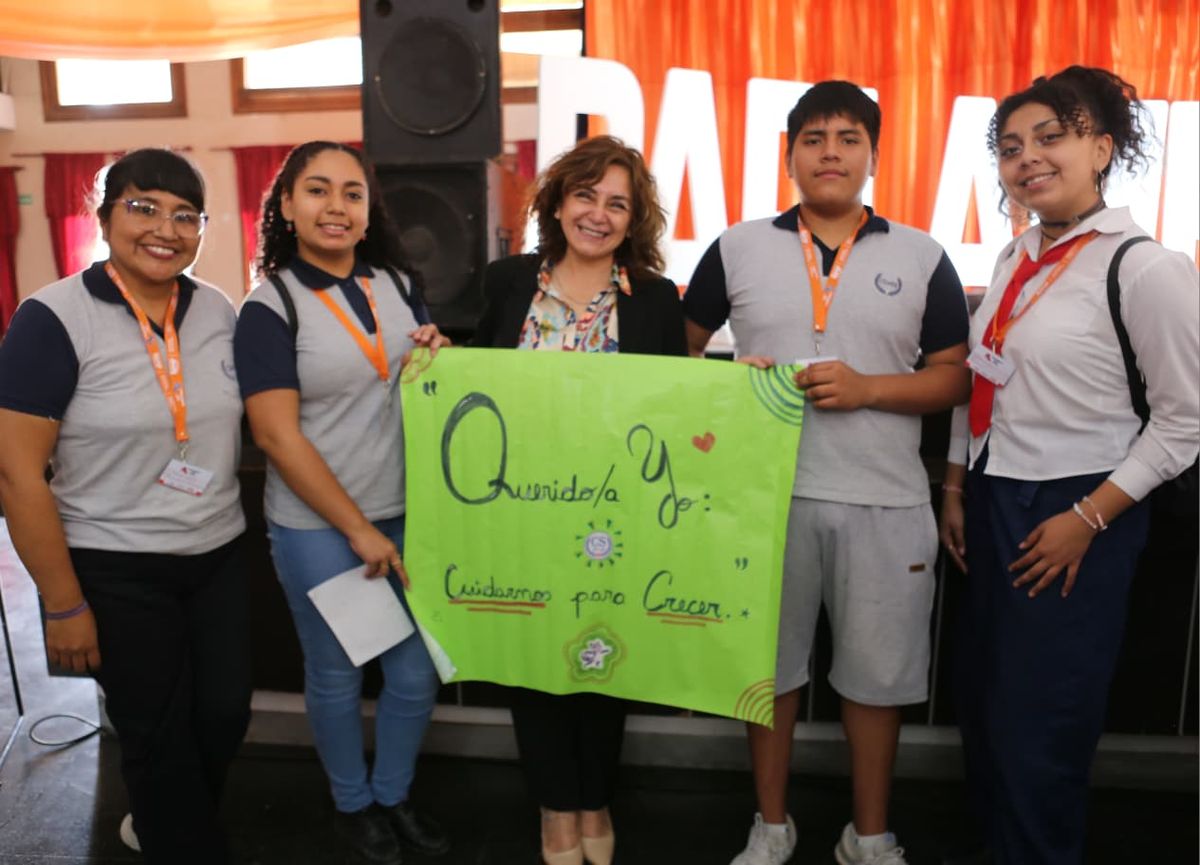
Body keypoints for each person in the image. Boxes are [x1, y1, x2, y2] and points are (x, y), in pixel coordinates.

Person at [684, 81, 971, 865]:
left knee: (877, 683)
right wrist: (726, 383)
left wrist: (869, 388)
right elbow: (679, 354)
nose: (830, 153)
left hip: (885, 501)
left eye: (848, 138)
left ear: (874, 154)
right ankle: (771, 824)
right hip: (760, 501)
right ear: (789, 156)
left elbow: (954, 377)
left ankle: (867, 835)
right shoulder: (737, 246)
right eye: (813, 139)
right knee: (767, 675)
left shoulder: (922, 255)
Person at [938, 67, 1199, 865]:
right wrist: (956, 484)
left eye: (1051, 137)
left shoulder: (1146, 267)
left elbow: (1185, 423)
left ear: (1102, 148)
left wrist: (1086, 520)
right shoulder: (1016, 255)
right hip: (993, 498)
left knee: (1041, 725)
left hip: (1080, 508)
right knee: (986, 710)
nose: (1028, 158)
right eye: (1011, 147)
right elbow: (980, 373)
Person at [0, 149, 250, 864]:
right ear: (104, 217)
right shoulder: (52, 318)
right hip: (115, 565)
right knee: (157, 735)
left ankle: (167, 823)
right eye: (143, 207)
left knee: (225, 714)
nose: (165, 229)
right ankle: (180, 840)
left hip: (217, 552)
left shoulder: (217, 309)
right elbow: (17, 474)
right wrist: (63, 603)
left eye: (185, 215)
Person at [233, 141, 451, 865]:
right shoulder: (270, 306)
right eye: (318, 190)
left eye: (352, 193)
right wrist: (357, 529)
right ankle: (353, 805)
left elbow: (414, 384)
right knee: (337, 672)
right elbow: (275, 434)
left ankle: (393, 794)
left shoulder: (398, 283)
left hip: (407, 512)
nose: (336, 206)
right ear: (287, 206)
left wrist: (437, 351)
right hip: (321, 527)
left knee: (415, 674)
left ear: (368, 210)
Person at [472, 134, 686, 865]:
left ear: (634, 219)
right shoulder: (507, 283)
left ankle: (595, 796)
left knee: (604, 657)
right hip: (521, 513)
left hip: (614, 518)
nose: (599, 214)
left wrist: (744, 387)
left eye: (617, 203)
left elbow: (677, 403)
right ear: (559, 203)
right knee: (534, 662)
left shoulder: (655, 299)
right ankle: (554, 805)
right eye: (586, 195)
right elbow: (474, 382)